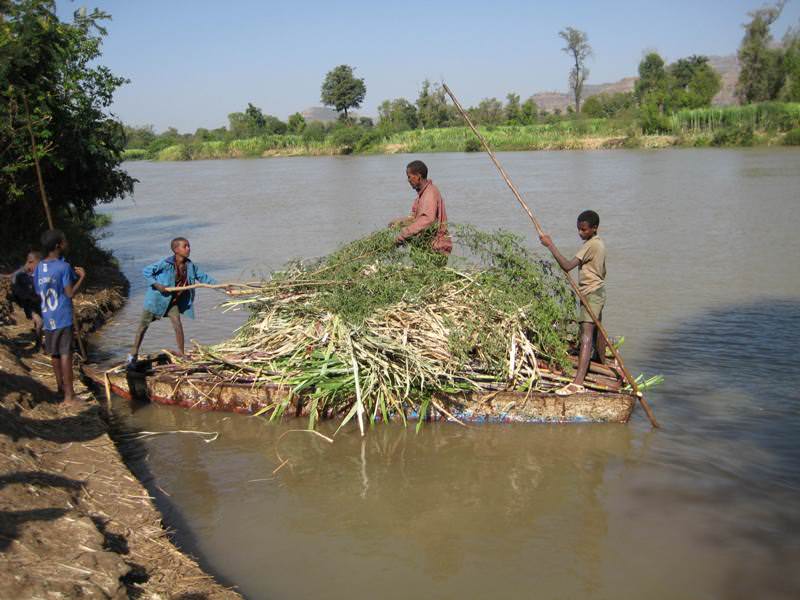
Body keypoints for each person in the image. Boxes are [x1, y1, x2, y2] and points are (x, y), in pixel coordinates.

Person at [539, 210, 607, 396]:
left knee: (586, 335)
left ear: (594, 228)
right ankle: (600, 362)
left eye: (584, 230)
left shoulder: (591, 245)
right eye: (578, 229)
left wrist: (550, 245)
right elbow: (603, 271)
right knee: (597, 331)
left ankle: (577, 383)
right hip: (597, 292)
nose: (580, 233)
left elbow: (568, 265)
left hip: (591, 294)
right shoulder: (599, 244)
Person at [128, 237, 224, 366]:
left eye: (189, 246)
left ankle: (181, 353)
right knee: (143, 327)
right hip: (157, 300)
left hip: (172, 302)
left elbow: (204, 278)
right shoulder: (165, 263)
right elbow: (146, 271)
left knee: (177, 325)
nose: (188, 248)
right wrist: (157, 285)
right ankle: (133, 355)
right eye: (185, 246)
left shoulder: (190, 266)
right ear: (176, 250)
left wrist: (222, 287)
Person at [33, 230, 86, 404]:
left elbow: (37, 291)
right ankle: (70, 395)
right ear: (58, 246)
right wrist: (82, 278)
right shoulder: (63, 267)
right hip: (62, 315)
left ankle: (60, 388)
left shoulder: (40, 267)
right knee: (66, 354)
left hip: (48, 316)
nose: (66, 243)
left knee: (54, 353)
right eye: (64, 241)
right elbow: (69, 294)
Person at [389, 160, 452, 262]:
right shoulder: (421, 196)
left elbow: (427, 219)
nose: (408, 180)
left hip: (434, 250)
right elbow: (415, 218)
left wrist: (403, 234)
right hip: (425, 249)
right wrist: (398, 223)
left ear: (418, 176)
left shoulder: (430, 194)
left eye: (409, 177)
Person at [11, 250, 44, 351]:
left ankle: (40, 342)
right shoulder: (23, 274)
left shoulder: (42, 272)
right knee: (39, 322)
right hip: (29, 302)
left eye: (31, 262)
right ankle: (38, 346)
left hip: (39, 302)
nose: (29, 264)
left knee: (40, 322)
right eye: (29, 262)